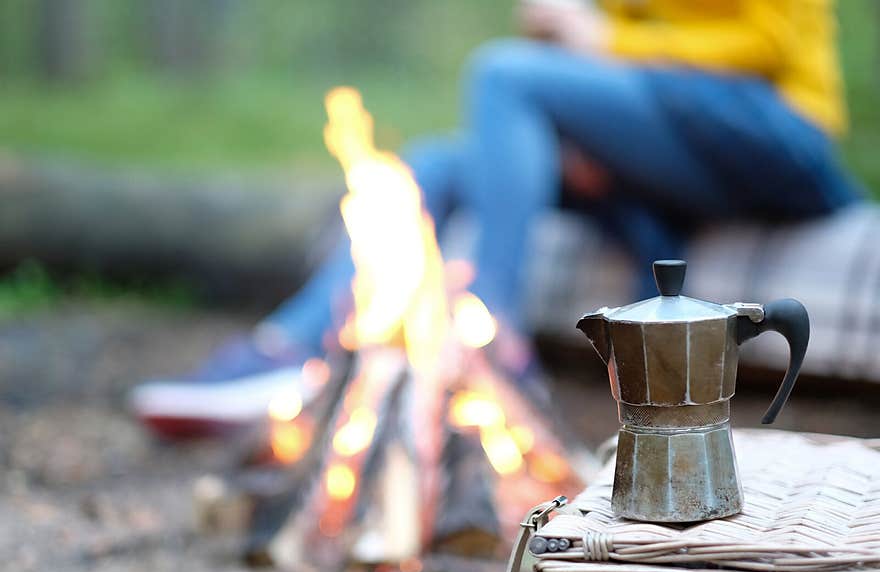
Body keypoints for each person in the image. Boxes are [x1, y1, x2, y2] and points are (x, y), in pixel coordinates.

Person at [131, 0, 862, 437]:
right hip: (676, 164)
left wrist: (602, 43)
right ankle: (289, 347)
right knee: (433, 165)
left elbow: (767, 42)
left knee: (502, 72)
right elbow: (614, 77)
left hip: (780, 134)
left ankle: (489, 339)